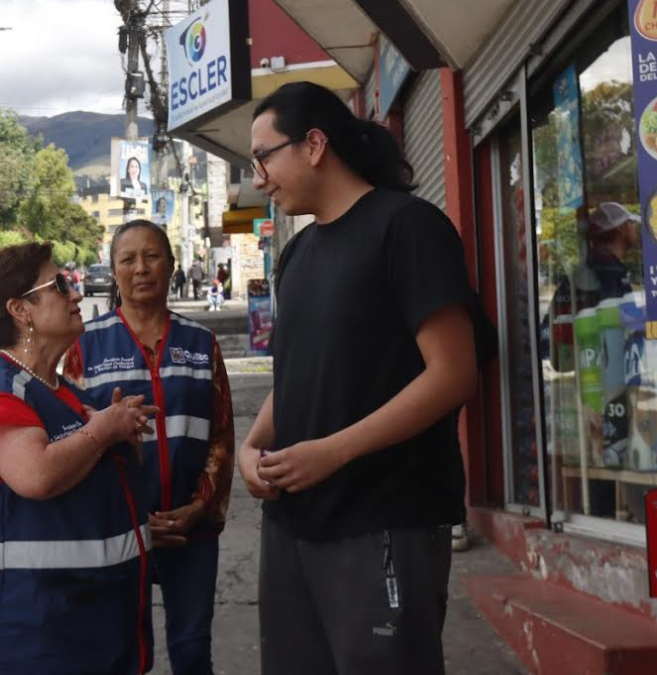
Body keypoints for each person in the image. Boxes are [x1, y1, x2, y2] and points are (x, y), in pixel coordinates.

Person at [238, 81, 478, 675]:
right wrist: (252, 445)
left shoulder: (407, 227)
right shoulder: (296, 255)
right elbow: (301, 373)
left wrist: (334, 452)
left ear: (314, 144)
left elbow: (453, 374)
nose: (259, 176)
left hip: (384, 520)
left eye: (264, 156)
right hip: (294, 522)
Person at [0, 241, 159, 675]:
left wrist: (121, 440)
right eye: (61, 284)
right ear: (21, 310)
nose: (76, 293)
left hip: (94, 632)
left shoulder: (66, 396)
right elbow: (35, 476)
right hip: (34, 638)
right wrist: (102, 431)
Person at [65, 220, 235, 675]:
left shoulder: (202, 345)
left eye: (152, 256)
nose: (141, 268)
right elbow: (74, 443)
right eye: (128, 259)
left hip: (190, 531)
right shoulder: (86, 346)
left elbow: (221, 436)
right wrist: (131, 520)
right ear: (115, 271)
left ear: (172, 265)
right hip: (121, 533)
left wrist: (200, 505)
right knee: (122, 654)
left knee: (193, 650)